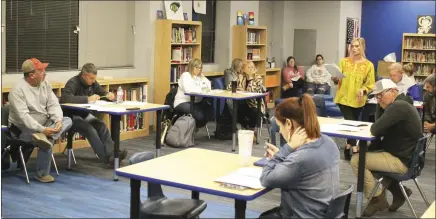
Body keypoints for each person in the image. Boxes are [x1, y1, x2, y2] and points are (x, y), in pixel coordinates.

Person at [259, 94, 340, 219]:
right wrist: (283, 156)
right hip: (324, 213)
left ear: (289, 124)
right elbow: (302, 167)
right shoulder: (329, 142)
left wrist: (286, 150)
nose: (280, 131)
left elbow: (266, 179)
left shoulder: (300, 159)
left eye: (280, 126)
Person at [350, 79, 422, 217]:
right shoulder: (402, 104)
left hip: (402, 161)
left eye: (380, 95)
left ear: (394, 91)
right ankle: (399, 193)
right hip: (408, 157)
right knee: (369, 155)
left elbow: (376, 128)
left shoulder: (398, 106)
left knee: (357, 161)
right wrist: (382, 104)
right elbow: (380, 132)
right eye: (376, 97)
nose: (378, 100)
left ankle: (377, 199)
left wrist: (380, 108)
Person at [8, 58, 73, 183]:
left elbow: (53, 104)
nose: (45, 73)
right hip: (23, 129)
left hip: (44, 125)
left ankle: (44, 137)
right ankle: (42, 173)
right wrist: (43, 130)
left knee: (67, 120)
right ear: (31, 75)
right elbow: (24, 117)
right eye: (41, 70)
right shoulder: (17, 90)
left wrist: (58, 120)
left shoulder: (45, 84)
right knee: (47, 137)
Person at [60, 63, 128, 166]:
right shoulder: (73, 82)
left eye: (94, 78)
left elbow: (101, 92)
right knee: (90, 130)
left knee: (101, 125)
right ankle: (107, 159)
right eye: (91, 78)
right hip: (71, 116)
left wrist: (107, 95)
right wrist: (87, 99)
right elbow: (65, 98)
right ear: (83, 76)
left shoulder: (92, 83)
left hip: (84, 114)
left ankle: (113, 155)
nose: (93, 81)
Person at [332, 38, 375, 160]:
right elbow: (338, 80)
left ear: (362, 47)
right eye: (352, 46)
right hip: (343, 98)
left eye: (357, 46)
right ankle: (355, 148)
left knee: (353, 124)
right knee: (351, 123)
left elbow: (371, 84)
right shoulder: (344, 62)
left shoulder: (369, 65)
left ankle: (347, 146)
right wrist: (335, 79)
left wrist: (364, 89)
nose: (354, 48)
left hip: (358, 100)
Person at [228, 60, 266, 143]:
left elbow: (252, 92)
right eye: (248, 67)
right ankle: (247, 129)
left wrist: (250, 78)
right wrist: (238, 87)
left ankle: (251, 130)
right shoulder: (241, 77)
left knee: (254, 111)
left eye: (252, 67)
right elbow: (229, 87)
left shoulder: (258, 78)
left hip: (256, 104)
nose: (251, 69)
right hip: (243, 103)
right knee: (235, 107)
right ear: (244, 69)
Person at [174, 58, 214, 128]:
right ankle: (191, 129)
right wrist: (202, 89)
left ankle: (194, 128)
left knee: (210, 112)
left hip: (196, 102)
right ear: (191, 67)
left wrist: (202, 80)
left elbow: (208, 87)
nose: (198, 69)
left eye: (200, 68)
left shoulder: (200, 77)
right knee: (199, 115)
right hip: (183, 102)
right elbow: (189, 90)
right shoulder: (186, 75)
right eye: (196, 67)